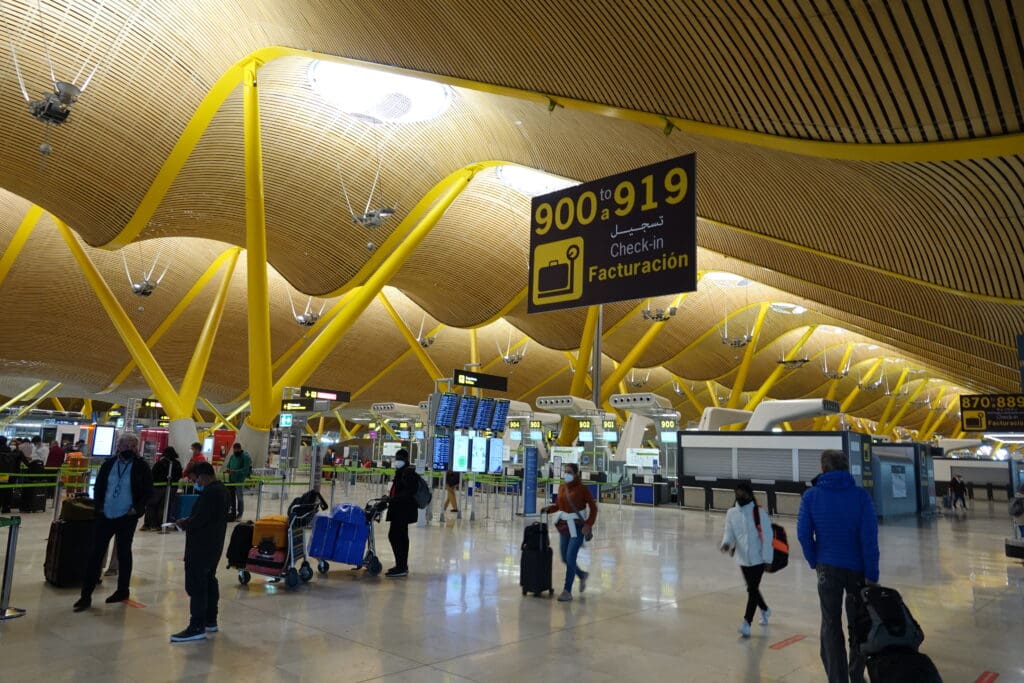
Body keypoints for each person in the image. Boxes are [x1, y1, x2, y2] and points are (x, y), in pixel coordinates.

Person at [797, 450, 879, 683]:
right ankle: (856, 673)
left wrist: (814, 561)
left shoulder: (811, 496)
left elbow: (803, 534)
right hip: (858, 571)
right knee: (859, 625)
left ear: (823, 469)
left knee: (831, 624)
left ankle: (837, 678)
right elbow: (869, 538)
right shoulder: (861, 496)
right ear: (846, 469)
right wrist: (872, 573)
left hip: (827, 568)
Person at [73, 433, 154, 612]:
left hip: (127, 516)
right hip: (106, 514)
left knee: (124, 553)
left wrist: (137, 509)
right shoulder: (109, 464)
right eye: (126, 446)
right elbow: (99, 486)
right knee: (96, 553)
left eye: (133, 447)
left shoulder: (141, 467)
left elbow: (148, 491)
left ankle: (122, 590)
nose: (129, 450)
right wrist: (99, 507)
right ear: (119, 446)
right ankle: (85, 595)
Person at [171, 462, 228, 642]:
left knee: (197, 584)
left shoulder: (211, 493)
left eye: (195, 479)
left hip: (202, 546)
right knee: (209, 579)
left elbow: (201, 519)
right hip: (214, 544)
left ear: (203, 476)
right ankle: (210, 619)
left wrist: (185, 523)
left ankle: (197, 625)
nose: (195, 483)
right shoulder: (221, 490)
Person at [720, 482, 774, 637]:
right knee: (753, 588)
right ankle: (765, 609)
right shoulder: (731, 513)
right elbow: (729, 532)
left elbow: (768, 536)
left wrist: (768, 559)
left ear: (750, 495)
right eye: (738, 493)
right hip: (743, 559)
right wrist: (726, 543)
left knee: (751, 590)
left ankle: (746, 623)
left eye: (743, 493)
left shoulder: (758, 513)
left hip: (758, 559)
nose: (740, 496)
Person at [544, 462, 598, 602]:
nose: (566, 474)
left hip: (578, 527)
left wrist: (588, 524)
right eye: (565, 471)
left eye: (569, 472)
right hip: (564, 526)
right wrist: (549, 509)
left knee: (570, 557)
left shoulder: (582, 489)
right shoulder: (562, 487)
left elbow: (594, 508)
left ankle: (567, 590)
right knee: (564, 557)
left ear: (576, 474)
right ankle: (582, 575)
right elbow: (558, 505)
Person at [385, 448, 419, 577]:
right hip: (398, 509)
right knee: (399, 536)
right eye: (396, 458)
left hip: (402, 510)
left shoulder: (408, 472)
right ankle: (401, 565)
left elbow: (409, 491)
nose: (397, 461)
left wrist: (394, 498)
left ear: (405, 460)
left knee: (396, 536)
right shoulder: (401, 471)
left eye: (399, 459)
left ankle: (401, 566)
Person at [143, 447, 183, 530]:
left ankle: (149, 525)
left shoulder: (160, 463)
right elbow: (179, 475)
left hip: (158, 487)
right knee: (164, 507)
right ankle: (161, 524)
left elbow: (152, 474)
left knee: (151, 505)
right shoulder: (177, 464)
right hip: (172, 488)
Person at [0, 436, 30, 513]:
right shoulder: (18, 452)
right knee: (9, 490)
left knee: (1, 490)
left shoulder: (3, 451)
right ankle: (6, 507)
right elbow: (26, 462)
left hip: (2, 474)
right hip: (13, 474)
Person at [224, 442, 252, 521]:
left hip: (239, 480)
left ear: (240, 449)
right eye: (234, 450)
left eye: (237, 449)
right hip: (231, 480)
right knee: (231, 497)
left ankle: (240, 514)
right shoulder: (233, 456)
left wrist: (235, 471)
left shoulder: (245, 457)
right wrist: (228, 470)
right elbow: (228, 465)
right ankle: (232, 513)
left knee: (240, 498)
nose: (235, 451)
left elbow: (246, 469)